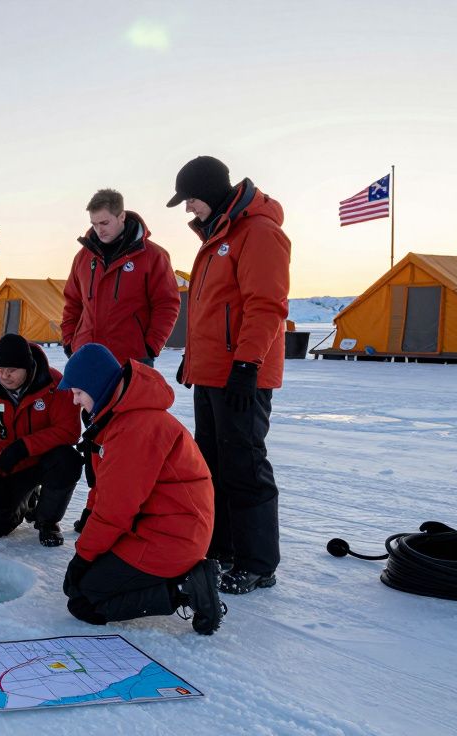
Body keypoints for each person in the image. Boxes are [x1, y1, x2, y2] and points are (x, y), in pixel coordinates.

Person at [166, 155, 291, 595]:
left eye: (192, 199)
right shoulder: (219, 235)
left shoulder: (258, 232)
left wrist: (246, 364)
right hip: (214, 373)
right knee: (213, 464)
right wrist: (195, 358)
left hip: (242, 376)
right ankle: (221, 551)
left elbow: (266, 306)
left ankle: (258, 563)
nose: (188, 209)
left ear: (214, 192)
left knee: (245, 466)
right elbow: (211, 309)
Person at [57, 344, 223, 635]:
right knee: (84, 587)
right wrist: (88, 540)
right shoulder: (118, 419)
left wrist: (83, 557)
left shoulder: (135, 428)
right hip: (158, 527)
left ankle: (182, 589)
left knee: (84, 602)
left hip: (171, 537)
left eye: (79, 393)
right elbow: (105, 488)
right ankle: (179, 581)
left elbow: (115, 510)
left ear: (98, 386)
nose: (75, 402)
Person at [0, 333, 82, 546]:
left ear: (27, 368)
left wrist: (25, 446)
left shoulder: (55, 383)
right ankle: (27, 501)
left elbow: (69, 430)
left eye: (11, 371)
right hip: (13, 465)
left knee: (69, 460)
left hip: (48, 460)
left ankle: (47, 521)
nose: (3, 376)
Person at [61, 188, 181, 366]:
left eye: (104, 223)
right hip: (86, 356)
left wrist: (150, 347)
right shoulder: (83, 258)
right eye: (94, 224)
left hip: (131, 358)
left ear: (121, 216)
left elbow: (166, 304)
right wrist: (70, 343)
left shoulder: (153, 256)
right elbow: (73, 303)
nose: (99, 230)